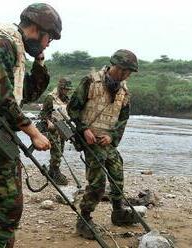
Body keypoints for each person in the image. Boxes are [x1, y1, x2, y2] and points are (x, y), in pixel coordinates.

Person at [0, 3, 62, 247]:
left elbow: (27, 94)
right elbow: (1, 98)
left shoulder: (13, 49)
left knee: (5, 206)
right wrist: (34, 133)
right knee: (8, 208)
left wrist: (39, 61)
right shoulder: (0, 44)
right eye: (49, 39)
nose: (49, 44)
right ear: (38, 29)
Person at [67, 49, 139, 239]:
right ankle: (84, 219)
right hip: (90, 139)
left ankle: (118, 213)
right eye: (122, 70)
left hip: (107, 141)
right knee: (97, 182)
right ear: (112, 65)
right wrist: (84, 129)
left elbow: (123, 118)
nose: (124, 75)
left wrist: (113, 137)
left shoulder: (124, 91)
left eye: (128, 72)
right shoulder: (90, 81)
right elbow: (73, 108)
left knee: (117, 175)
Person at [40, 78, 73, 185]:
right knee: (57, 152)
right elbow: (43, 113)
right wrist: (48, 122)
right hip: (52, 129)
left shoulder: (67, 99)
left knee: (61, 150)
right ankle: (55, 172)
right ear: (60, 88)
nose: (67, 91)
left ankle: (52, 171)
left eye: (68, 89)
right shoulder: (50, 98)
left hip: (63, 128)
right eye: (65, 89)